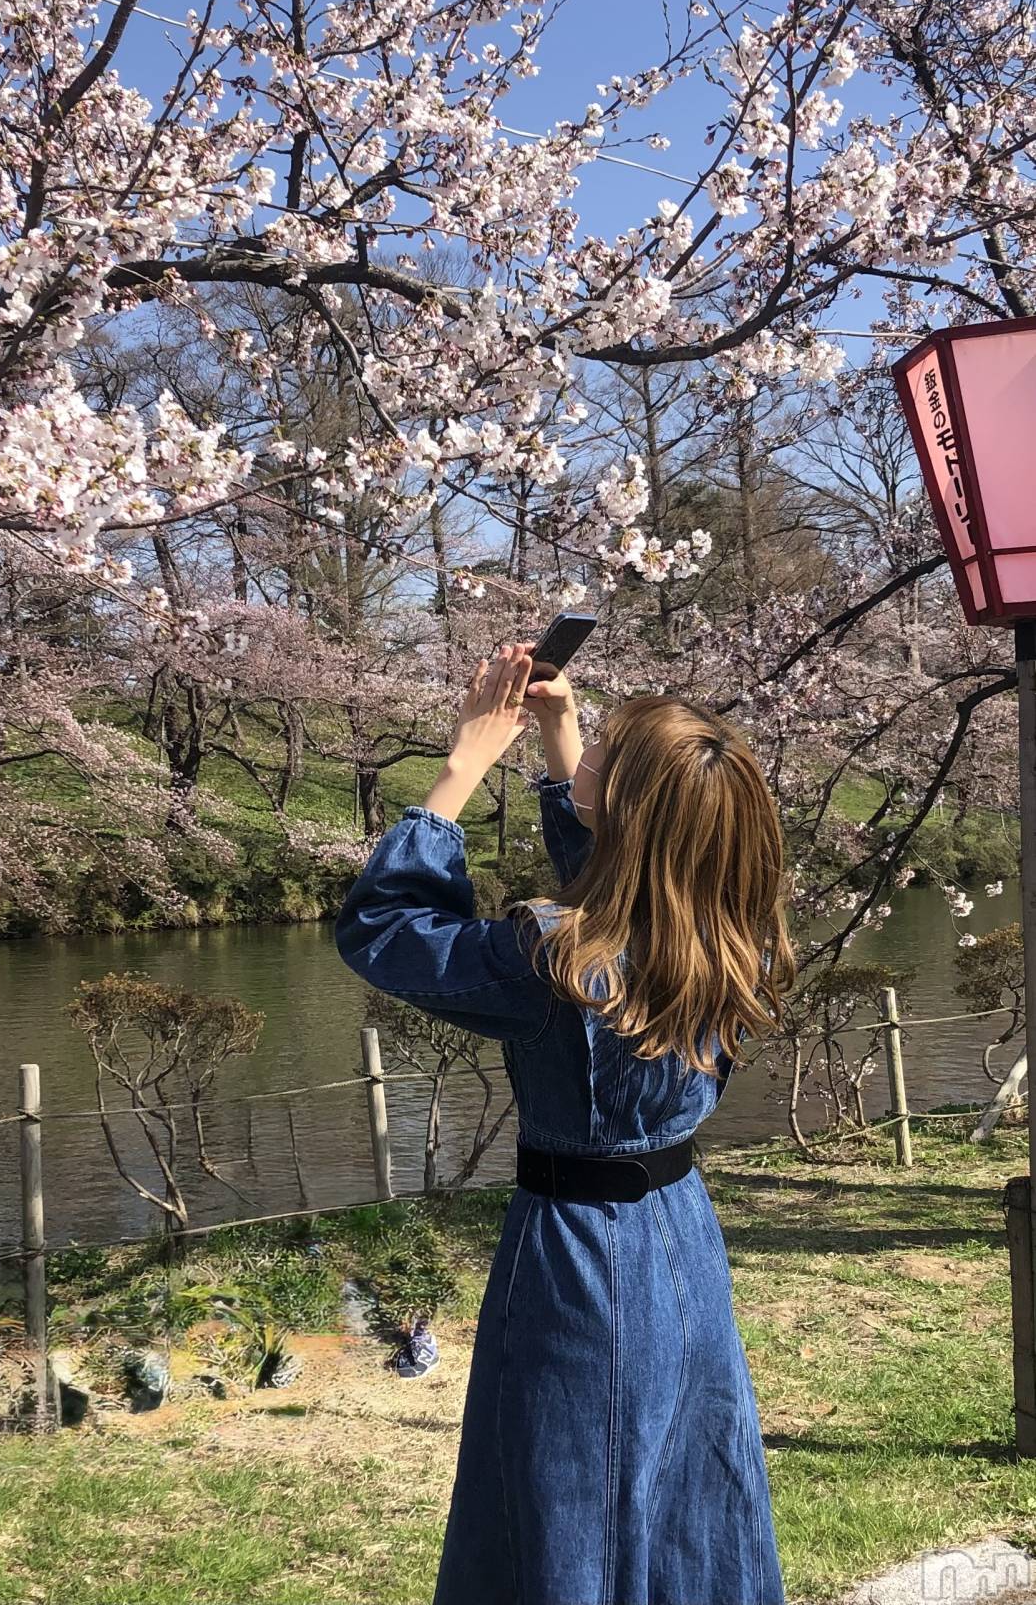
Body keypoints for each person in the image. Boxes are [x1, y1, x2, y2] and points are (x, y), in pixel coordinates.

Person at [335, 644, 796, 1605]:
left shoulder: (551, 962)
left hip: (576, 1255)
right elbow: (620, 882)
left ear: (621, 809)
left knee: (557, 1489)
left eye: (599, 757)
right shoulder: (725, 925)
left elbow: (383, 933)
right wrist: (558, 739)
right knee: (681, 1480)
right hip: (681, 1237)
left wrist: (461, 767)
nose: (583, 758)